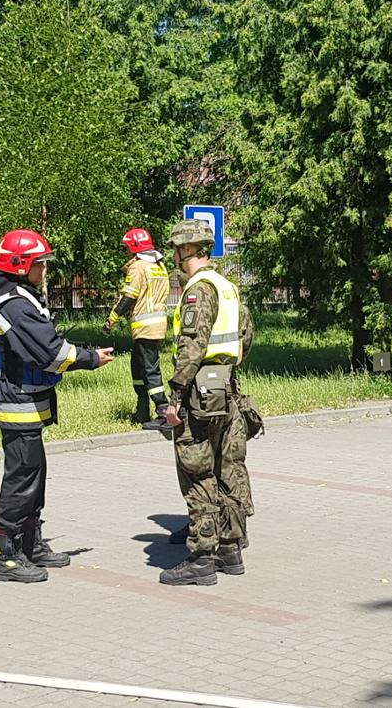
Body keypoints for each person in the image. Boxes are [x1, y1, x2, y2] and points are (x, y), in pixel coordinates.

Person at [0, 228, 115, 583]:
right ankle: (7, 555)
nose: (45, 269)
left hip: (25, 400)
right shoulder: (14, 304)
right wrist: (90, 358)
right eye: (40, 263)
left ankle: (30, 543)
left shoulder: (17, 294)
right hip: (17, 403)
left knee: (33, 474)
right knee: (22, 477)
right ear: (22, 265)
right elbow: (49, 352)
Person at [158, 218, 260, 586]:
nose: (173, 254)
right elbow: (245, 337)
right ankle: (231, 549)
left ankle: (202, 557)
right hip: (229, 391)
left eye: (176, 248)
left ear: (187, 250)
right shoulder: (228, 287)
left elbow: (191, 348)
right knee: (229, 469)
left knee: (197, 471)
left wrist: (175, 400)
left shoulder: (198, 290)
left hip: (199, 395)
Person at [102, 227, 172, 430]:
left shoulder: (138, 267)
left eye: (127, 248)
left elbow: (129, 297)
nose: (126, 252)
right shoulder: (159, 266)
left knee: (150, 369)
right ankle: (142, 412)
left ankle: (163, 410)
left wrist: (111, 320)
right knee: (138, 368)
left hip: (145, 326)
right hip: (156, 324)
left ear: (133, 247)